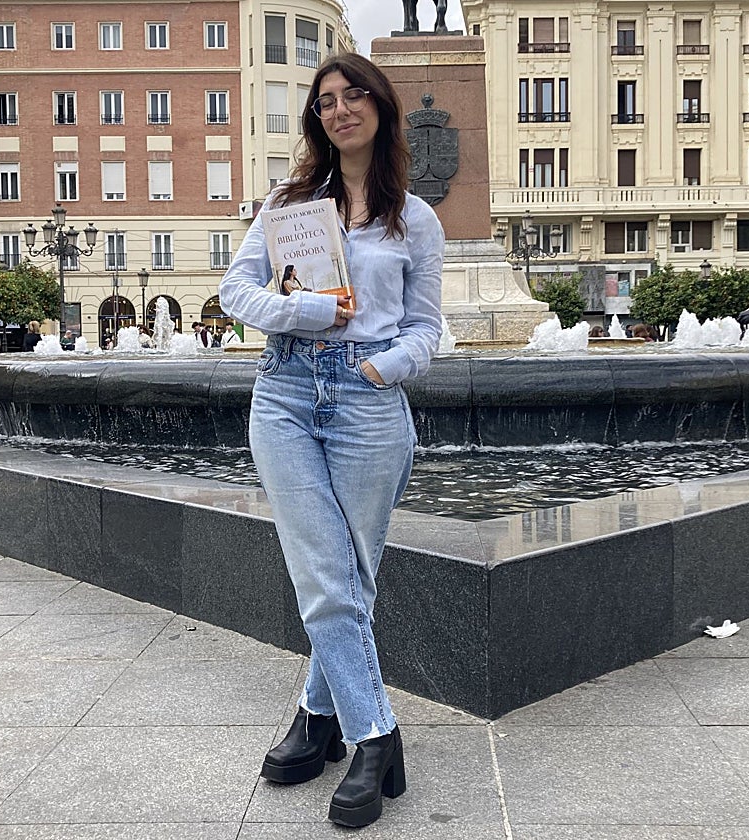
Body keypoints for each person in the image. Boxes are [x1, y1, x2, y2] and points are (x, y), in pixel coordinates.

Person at [219, 52, 443, 828]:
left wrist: (384, 368)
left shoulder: (413, 217)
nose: (340, 109)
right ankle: (375, 733)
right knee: (325, 573)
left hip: (368, 402)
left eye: (353, 96)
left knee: (352, 576)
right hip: (284, 391)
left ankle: (319, 719)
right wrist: (312, 312)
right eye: (327, 101)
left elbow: (428, 329)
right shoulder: (289, 203)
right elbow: (236, 291)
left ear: (379, 107)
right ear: (317, 118)